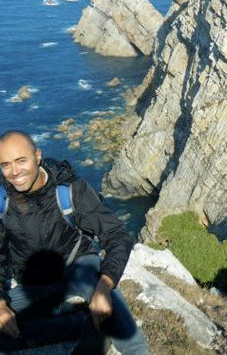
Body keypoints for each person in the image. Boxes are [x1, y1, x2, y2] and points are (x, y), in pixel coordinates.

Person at [0, 130, 149, 353]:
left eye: (21, 161)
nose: (14, 172)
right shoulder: (3, 200)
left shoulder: (69, 189)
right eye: (5, 165)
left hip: (76, 268)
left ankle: (133, 348)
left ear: (37, 156)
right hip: (32, 284)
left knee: (109, 305)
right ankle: (78, 326)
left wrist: (104, 286)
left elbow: (117, 235)